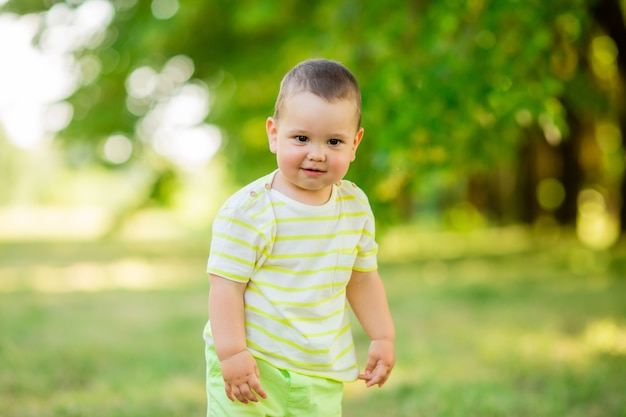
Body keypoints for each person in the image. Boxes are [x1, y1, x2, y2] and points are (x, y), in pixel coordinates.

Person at [203, 58, 395, 417]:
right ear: (274, 134)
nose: (316, 153)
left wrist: (382, 335)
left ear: (355, 143)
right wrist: (232, 354)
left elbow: (362, 276)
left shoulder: (354, 205)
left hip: (320, 368)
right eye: (301, 138)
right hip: (253, 365)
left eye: (334, 141)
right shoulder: (249, 210)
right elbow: (226, 287)